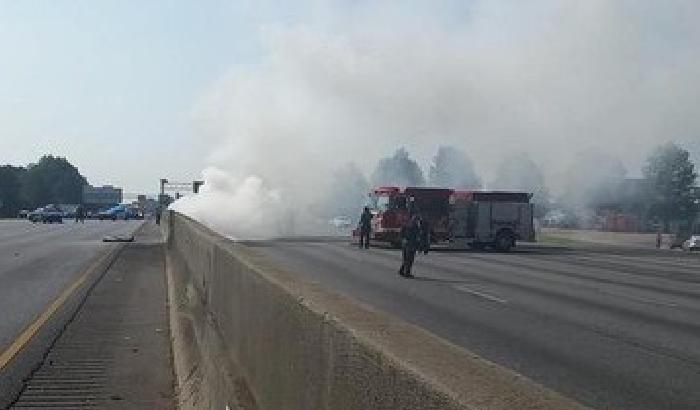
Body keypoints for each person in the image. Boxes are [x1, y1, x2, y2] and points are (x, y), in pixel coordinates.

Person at [398, 213, 426, 278]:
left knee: (406, 259)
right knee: (409, 259)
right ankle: (407, 273)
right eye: (418, 220)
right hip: (411, 244)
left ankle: (402, 270)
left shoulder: (406, 224)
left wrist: (403, 239)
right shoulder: (415, 227)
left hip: (406, 244)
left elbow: (401, 233)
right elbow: (417, 238)